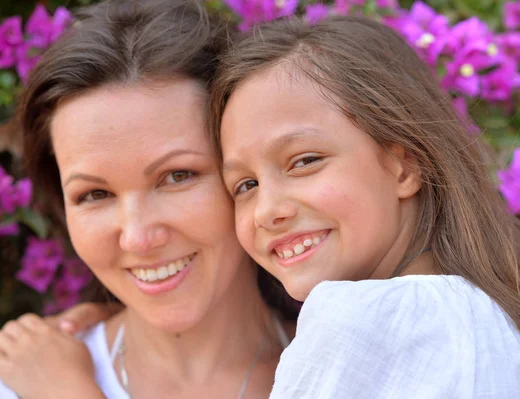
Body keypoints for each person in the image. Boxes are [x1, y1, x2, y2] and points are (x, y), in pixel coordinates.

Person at [0, 1, 296, 398]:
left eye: (177, 176)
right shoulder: (15, 386)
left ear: (248, 177)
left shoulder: (351, 369)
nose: (138, 238)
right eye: (95, 194)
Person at [211, 15, 520, 398]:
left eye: (304, 161)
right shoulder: (489, 315)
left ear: (405, 167)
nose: (266, 210)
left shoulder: (360, 322)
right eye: (246, 185)